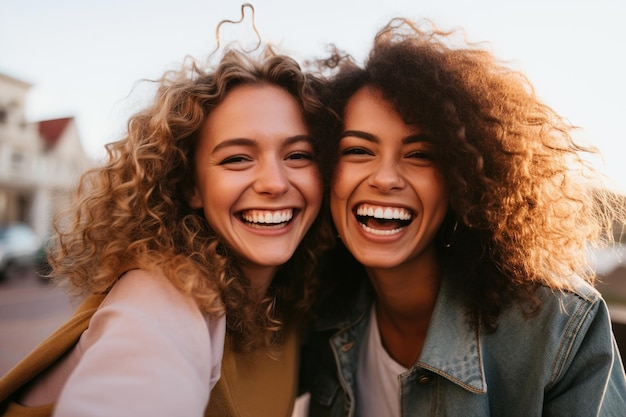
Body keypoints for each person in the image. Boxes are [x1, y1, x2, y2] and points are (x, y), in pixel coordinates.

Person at [302, 18, 626, 416]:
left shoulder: (560, 326)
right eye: (358, 151)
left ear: (464, 177)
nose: (385, 178)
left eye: (420, 154)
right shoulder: (313, 308)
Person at [0, 42, 334, 416]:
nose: (274, 183)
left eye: (298, 155)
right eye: (237, 158)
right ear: (191, 186)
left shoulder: (292, 304)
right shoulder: (165, 294)